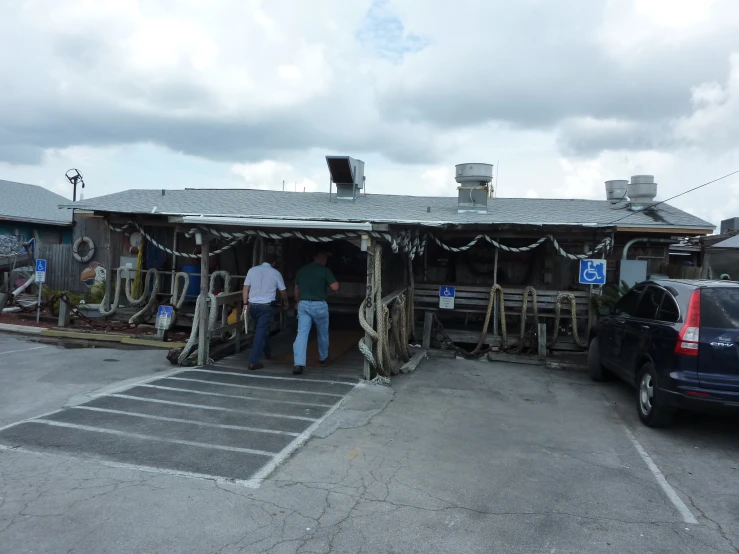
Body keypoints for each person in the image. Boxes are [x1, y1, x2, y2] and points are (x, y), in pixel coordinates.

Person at [293, 252, 339, 374]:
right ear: (324, 260)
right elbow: (335, 287)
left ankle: (298, 363)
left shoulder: (302, 270)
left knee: (301, 333)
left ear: (314, 258)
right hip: (319, 304)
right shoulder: (325, 270)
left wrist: (297, 300)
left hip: (303, 304)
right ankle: (323, 357)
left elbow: (296, 288)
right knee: (322, 332)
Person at [242, 253, 288, 371]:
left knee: (261, 329)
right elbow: (283, 291)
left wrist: (245, 304)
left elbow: (245, 288)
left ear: (262, 260)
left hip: (253, 306)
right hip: (266, 307)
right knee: (260, 331)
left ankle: (267, 352)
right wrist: (286, 302)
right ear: (274, 263)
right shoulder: (276, 273)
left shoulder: (252, 270)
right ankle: (253, 361)